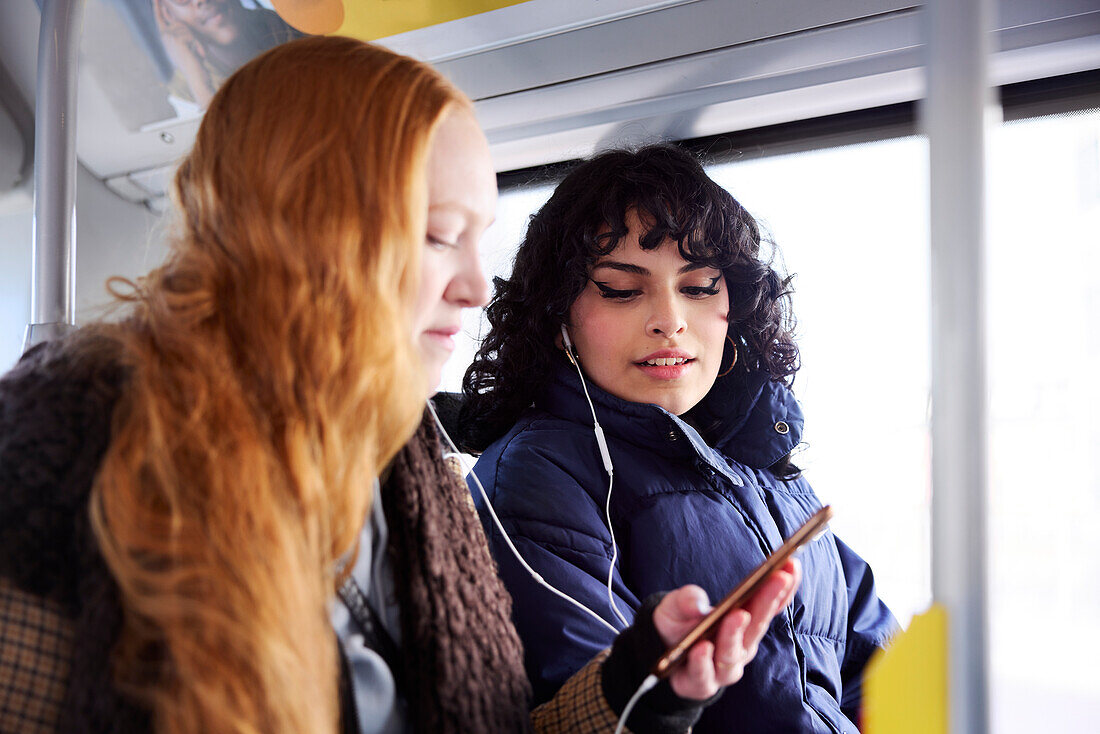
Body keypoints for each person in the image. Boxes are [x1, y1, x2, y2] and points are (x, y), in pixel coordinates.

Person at [0, 38, 798, 734]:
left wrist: (641, 687)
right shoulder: (67, 465)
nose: (475, 287)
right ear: (303, 229)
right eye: (438, 237)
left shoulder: (408, 473)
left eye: (477, 238)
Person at [459, 144, 899, 733]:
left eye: (699, 287)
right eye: (620, 289)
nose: (670, 319)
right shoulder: (536, 472)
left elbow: (875, 664)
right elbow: (589, 707)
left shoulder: (762, 462)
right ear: (557, 313)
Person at [152, 0, 300, 115]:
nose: (201, 0)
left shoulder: (292, 28)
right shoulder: (184, 95)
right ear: (167, 15)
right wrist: (198, 83)